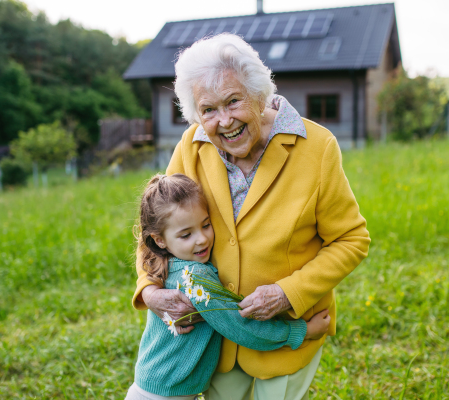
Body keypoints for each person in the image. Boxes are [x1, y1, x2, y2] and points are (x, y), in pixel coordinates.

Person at [132, 33, 371, 400]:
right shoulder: (192, 145)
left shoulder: (317, 147)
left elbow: (351, 239)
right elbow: (157, 224)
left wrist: (287, 293)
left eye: (233, 101)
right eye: (208, 110)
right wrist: (148, 289)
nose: (224, 121)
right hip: (216, 342)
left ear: (259, 94)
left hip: (287, 331)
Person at [126, 174, 331, 400]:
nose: (202, 239)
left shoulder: (163, 264)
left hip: (149, 385)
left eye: (206, 225)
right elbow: (242, 328)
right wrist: (302, 331)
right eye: (186, 235)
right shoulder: (196, 278)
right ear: (159, 240)